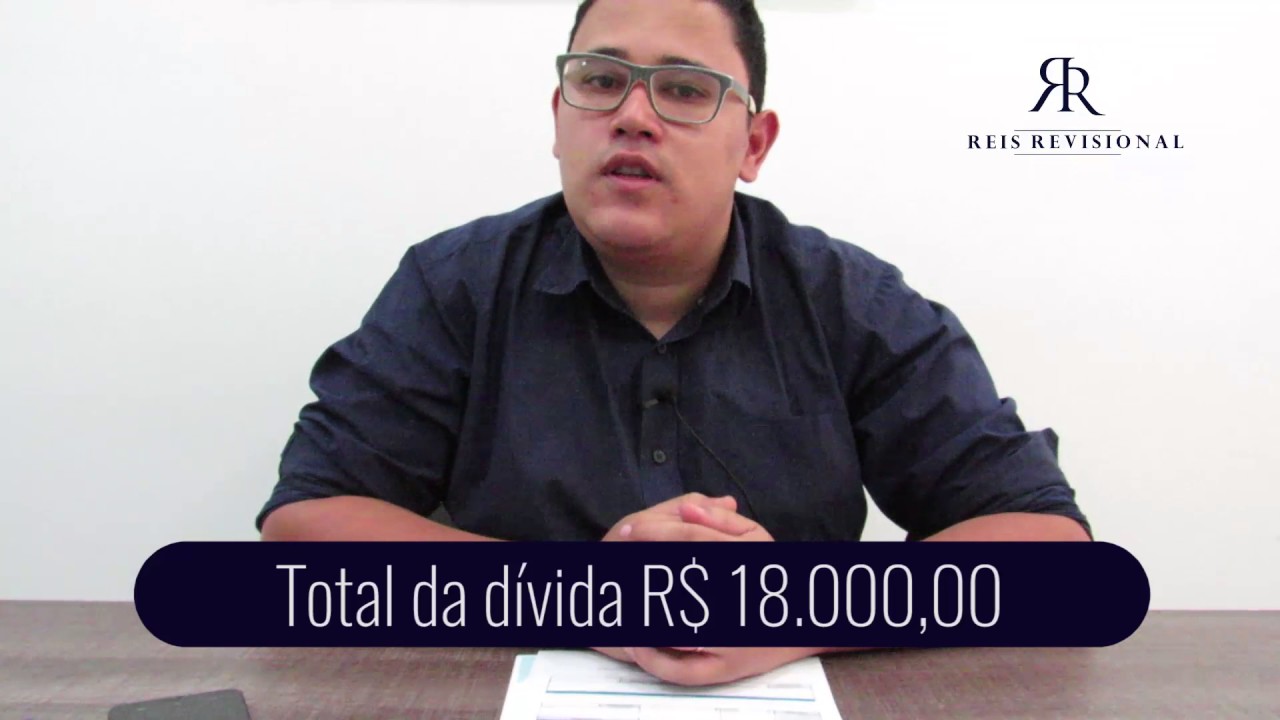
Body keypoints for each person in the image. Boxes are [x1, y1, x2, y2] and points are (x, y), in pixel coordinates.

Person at [258, 0, 1090, 686]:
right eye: (600, 80)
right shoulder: (456, 285)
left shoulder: (852, 302)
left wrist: (799, 611)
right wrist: (583, 595)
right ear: (559, 118)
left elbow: (1049, 547)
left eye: (686, 90)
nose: (632, 117)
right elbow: (306, 521)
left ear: (753, 145)